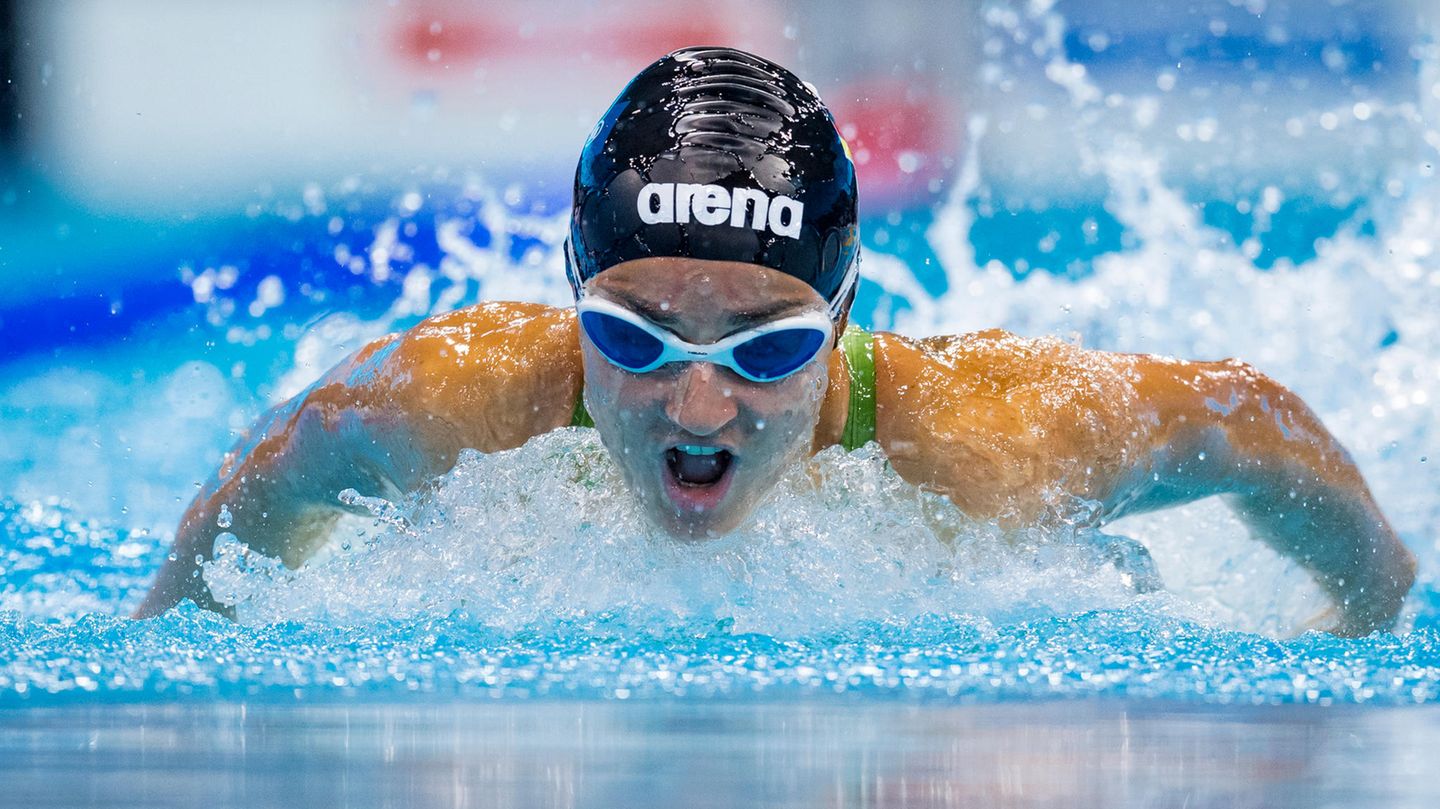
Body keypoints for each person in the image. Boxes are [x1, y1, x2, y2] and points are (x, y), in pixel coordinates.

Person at [134, 46, 1416, 635]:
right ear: (572, 292)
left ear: (844, 318)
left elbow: (1251, 419)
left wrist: (1368, 616)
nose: (697, 405)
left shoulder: (991, 447)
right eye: (634, 335)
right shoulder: (450, 401)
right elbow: (252, 501)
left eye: (763, 349)